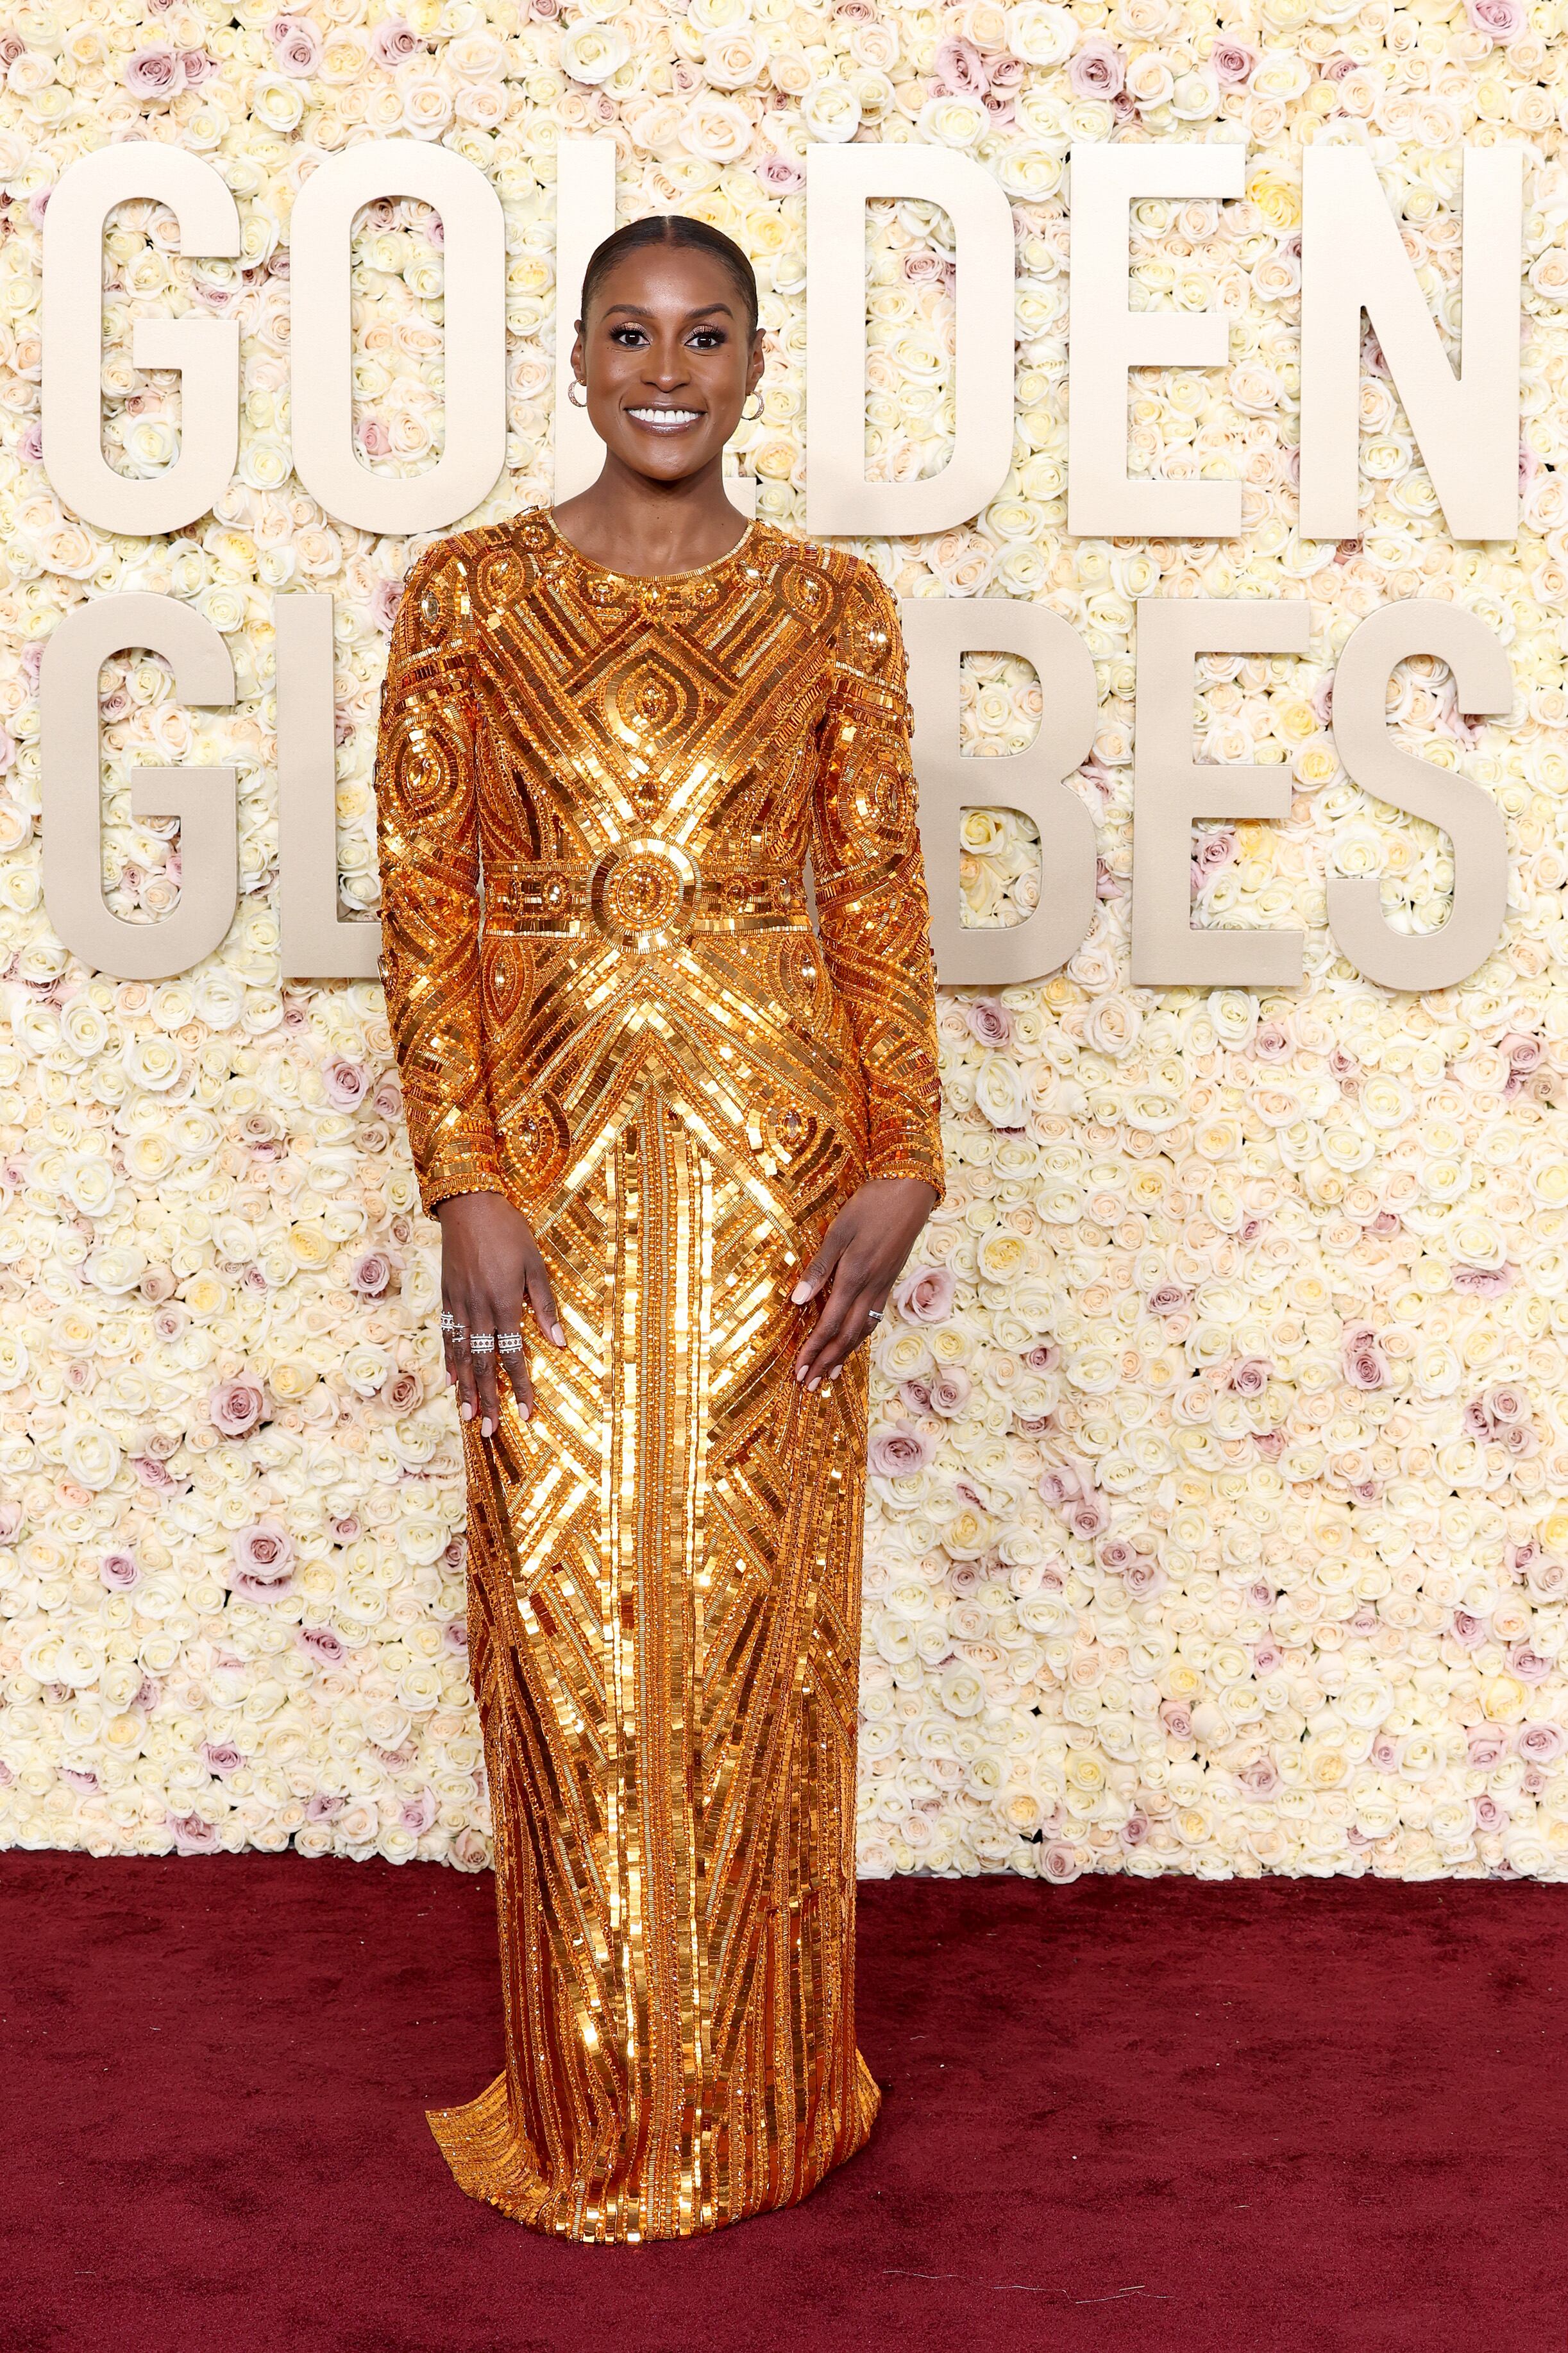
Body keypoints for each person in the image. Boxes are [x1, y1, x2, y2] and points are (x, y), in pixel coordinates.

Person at [374, 213, 944, 2241]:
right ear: (582, 357)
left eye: (707, 333)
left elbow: (871, 896)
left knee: (756, 1634)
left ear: (761, 361)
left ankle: (765, 2083)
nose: (668, 366)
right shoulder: (468, 600)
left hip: (781, 1163)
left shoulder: (836, 612)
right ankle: (595, 2086)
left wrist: (904, 1153)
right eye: (632, 330)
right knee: (563, 1626)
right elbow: (427, 905)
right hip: (547, 1176)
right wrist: (464, 1180)